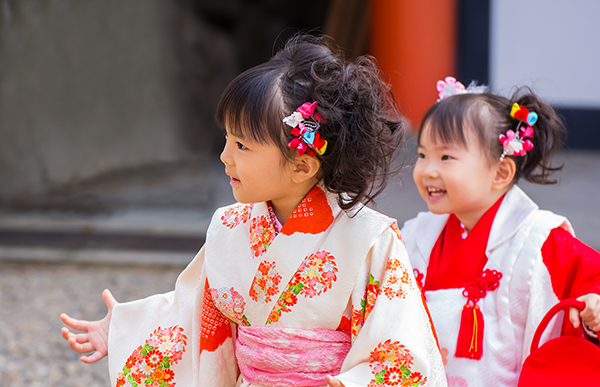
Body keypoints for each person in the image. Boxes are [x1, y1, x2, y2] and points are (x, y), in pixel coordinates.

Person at [61, 35, 446, 387]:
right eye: (227, 138)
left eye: (242, 145)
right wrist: (125, 328)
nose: (225, 156)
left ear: (302, 165)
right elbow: (193, 315)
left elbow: (400, 350)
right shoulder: (230, 228)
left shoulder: (370, 241)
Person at [401, 77, 600, 387]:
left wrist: (594, 304)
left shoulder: (536, 238)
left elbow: (591, 277)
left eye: (446, 157)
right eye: (422, 154)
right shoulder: (415, 236)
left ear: (501, 172)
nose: (427, 170)